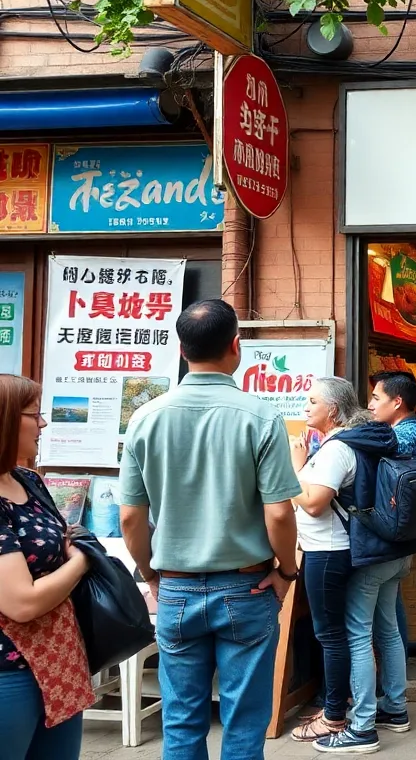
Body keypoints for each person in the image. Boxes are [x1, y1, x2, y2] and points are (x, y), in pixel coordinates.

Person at [117, 300, 302, 760]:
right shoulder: (260, 416)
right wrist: (287, 571)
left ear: (182, 350)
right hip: (248, 587)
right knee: (244, 722)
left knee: (180, 721)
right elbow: (279, 514)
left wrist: (152, 574)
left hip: (176, 587)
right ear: (236, 347)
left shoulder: (144, 417)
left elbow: (130, 517)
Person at [314, 396, 414, 754]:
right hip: (398, 550)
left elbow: (315, 501)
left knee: (358, 635)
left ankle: (362, 727)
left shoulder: (344, 447)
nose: (373, 404)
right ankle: (396, 709)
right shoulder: (388, 439)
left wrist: (299, 465)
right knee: (388, 631)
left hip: (371, 554)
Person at [0, 375, 92, 759]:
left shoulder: (28, 480)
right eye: (34, 414)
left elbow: (63, 541)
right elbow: (21, 603)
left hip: (60, 660)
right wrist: (82, 563)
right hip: (10, 671)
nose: (43, 423)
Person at [287, 378, 370, 742]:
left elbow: (316, 503)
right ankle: (337, 703)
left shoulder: (336, 450)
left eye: (312, 401)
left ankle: (334, 715)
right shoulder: (330, 445)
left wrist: (293, 468)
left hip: (329, 550)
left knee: (330, 635)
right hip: (326, 548)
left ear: (332, 410)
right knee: (333, 633)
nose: (306, 407)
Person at [366, 370, 416, 687]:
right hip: (407, 531)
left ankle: (391, 681)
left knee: (381, 618)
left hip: (392, 531)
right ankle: (396, 678)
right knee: (392, 609)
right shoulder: (414, 432)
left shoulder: (401, 437)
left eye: (376, 398)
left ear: (397, 402)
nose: (370, 405)